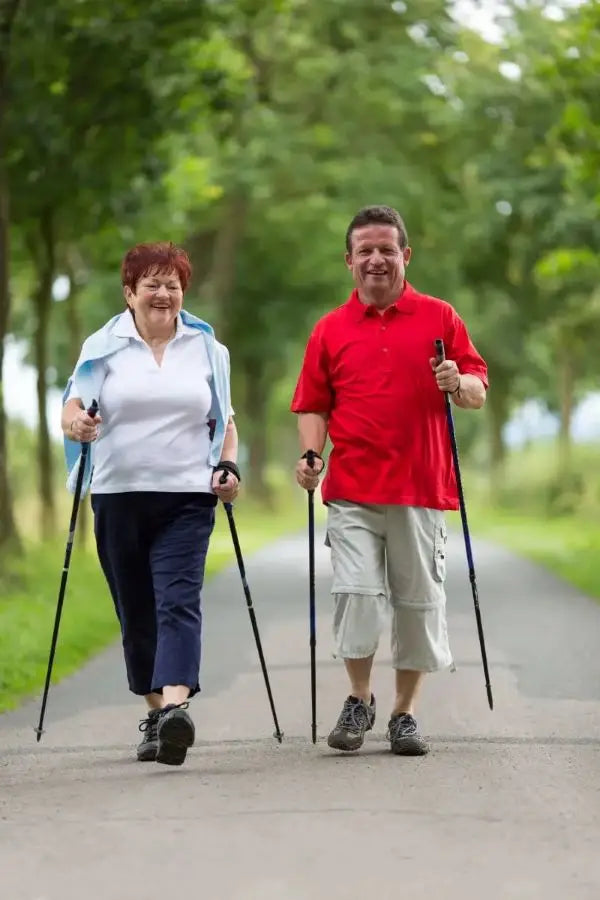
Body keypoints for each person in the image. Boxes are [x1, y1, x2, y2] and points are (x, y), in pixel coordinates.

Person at [291, 205, 488, 756]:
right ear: (349, 261)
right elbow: (312, 404)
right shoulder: (330, 329)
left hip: (421, 486)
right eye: (365, 251)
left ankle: (404, 713)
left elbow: (477, 388)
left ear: (405, 255)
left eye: (386, 249)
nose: (376, 259)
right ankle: (359, 699)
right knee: (355, 595)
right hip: (352, 488)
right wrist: (311, 454)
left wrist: (458, 382)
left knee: (418, 602)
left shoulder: (440, 317)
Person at [61, 241, 240, 767]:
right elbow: (71, 406)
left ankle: (177, 708)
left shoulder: (208, 349)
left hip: (187, 495)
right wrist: (77, 423)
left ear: (184, 292)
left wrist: (227, 468)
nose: (163, 294)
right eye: (152, 284)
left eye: (173, 285)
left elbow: (225, 423)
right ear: (129, 292)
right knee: (136, 610)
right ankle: (156, 710)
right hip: (118, 495)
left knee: (178, 600)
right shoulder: (103, 347)